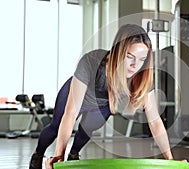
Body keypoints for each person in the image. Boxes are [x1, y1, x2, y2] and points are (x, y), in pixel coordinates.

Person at [29, 24, 174, 169]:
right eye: (130, 57)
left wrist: (170, 159)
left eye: (142, 59)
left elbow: (155, 122)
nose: (135, 65)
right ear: (118, 51)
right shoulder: (91, 61)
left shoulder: (142, 77)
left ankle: (73, 156)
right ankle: (38, 154)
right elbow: (71, 113)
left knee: (86, 130)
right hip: (78, 94)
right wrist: (58, 155)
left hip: (103, 103)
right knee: (56, 125)